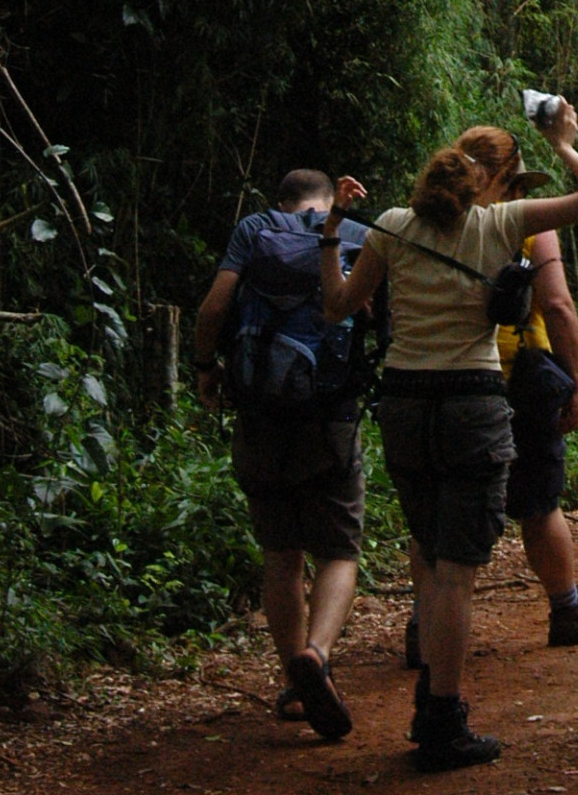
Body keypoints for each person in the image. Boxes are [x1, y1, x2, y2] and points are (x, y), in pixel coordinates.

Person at [319, 105, 578, 770]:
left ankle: (433, 685)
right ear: (493, 181)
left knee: (431, 550)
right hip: (472, 404)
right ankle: (441, 717)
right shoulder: (502, 222)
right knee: (457, 571)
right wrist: (564, 143)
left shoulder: (392, 225)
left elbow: (338, 306)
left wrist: (331, 232)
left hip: (403, 403)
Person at [399, 127, 578, 666]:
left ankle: (423, 625)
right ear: (507, 180)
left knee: (433, 514)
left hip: (430, 380)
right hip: (515, 374)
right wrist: (576, 384)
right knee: (539, 502)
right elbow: (559, 306)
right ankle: (565, 609)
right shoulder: (520, 223)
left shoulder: (416, 221)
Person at [193, 168, 370, 741]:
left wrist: (205, 369)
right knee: (339, 549)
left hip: (259, 410)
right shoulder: (357, 234)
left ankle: (294, 687)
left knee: (280, 552)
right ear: (324, 200)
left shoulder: (253, 230)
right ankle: (317, 655)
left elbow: (213, 310)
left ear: (282, 200)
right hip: (330, 417)